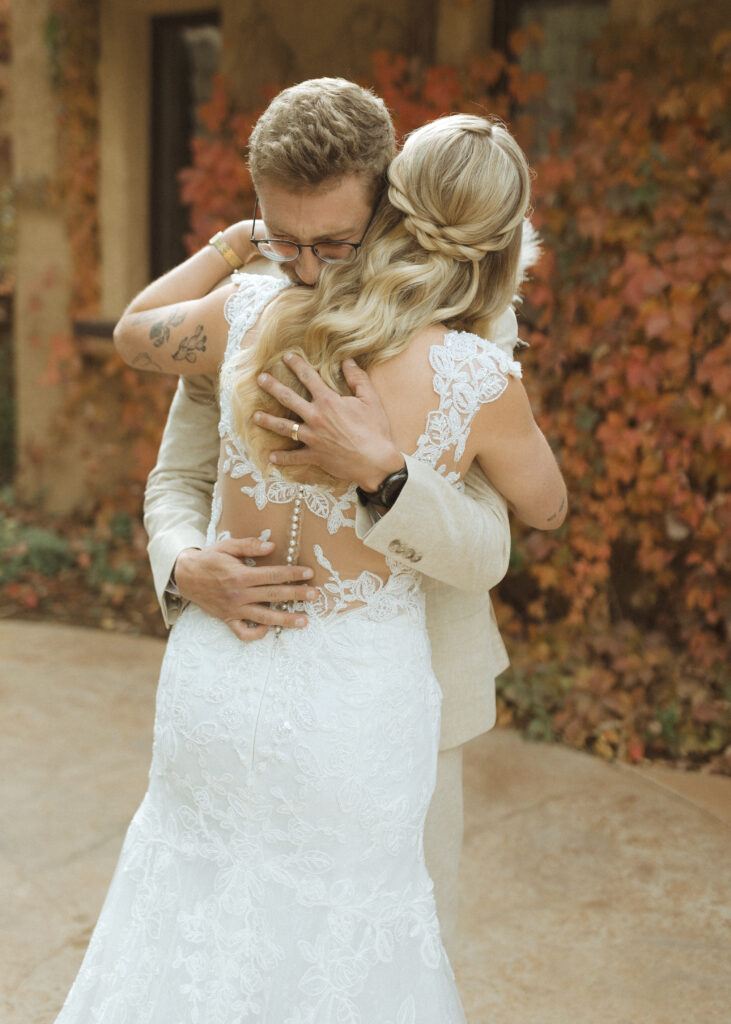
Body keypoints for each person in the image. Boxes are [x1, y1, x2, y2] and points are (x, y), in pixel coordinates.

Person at [55, 102, 566, 1023]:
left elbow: (488, 545)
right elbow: (177, 478)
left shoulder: (262, 311)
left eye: (329, 242)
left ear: (389, 209)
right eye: (281, 238)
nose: (302, 264)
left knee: (225, 934)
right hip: (306, 676)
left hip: (346, 697)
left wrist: (388, 476)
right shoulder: (294, 303)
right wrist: (183, 565)